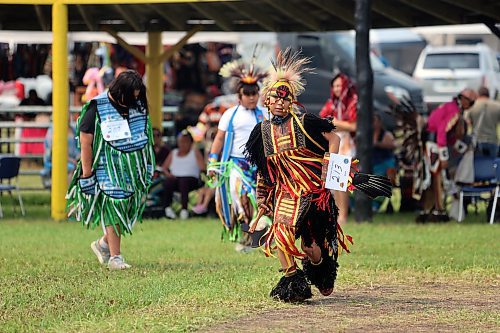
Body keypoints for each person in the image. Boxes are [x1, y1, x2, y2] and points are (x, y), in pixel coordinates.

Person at [245, 49, 392, 302]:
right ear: (266, 101)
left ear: (291, 101)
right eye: (275, 98)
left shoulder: (304, 122)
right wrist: (262, 199)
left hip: (313, 193)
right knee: (281, 234)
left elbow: (333, 137)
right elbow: (264, 170)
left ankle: (321, 267)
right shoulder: (262, 133)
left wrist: (329, 162)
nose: (280, 102)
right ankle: (293, 281)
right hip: (285, 192)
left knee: (310, 248)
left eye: (285, 98)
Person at [66, 70, 155, 270]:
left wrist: (147, 165)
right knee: (114, 202)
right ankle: (116, 257)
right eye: (130, 97)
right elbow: (86, 144)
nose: (134, 101)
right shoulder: (96, 108)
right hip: (107, 167)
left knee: (124, 209)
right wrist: (87, 173)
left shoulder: (138, 105)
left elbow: (147, 137)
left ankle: (103, 244)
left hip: (133, 171)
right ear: (119, 91)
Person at [206, 58, 268, 248]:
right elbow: (219, 139)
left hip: (258, 165)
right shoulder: (230, 114)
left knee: (256, 201)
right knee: (240, 194)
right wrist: (212, 162)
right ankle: (247, 236)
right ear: (239, 96)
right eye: (247, 94)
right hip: (235, 163)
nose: (251, 97)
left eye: (254, 93)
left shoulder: (264, 114)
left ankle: (251, 238)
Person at [419, 88, 477, 222]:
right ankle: (436, 211)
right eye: (471, 103)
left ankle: (437, 209)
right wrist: (444, 156)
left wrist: (461, 147)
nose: (471, 106)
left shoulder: (453, 108)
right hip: (433, 145)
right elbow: (441, 132)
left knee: (439, 178)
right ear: (463, 100)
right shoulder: (454, 111)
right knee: (436, 177)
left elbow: (450, 135)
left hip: (435, 144)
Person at [319, 73, 358, 225]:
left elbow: (354, 126)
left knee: (341, 179)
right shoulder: (332, 103)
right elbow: (322, 120)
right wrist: (333, 123)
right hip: (334, 141)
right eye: (334, 86)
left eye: (339, 85)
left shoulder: (353, 102)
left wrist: (334, 122)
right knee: (333, 181)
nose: (336, 89)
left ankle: (343, 216)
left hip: (347, 143)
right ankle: (336, 214)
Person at [162, 130, 205, 220]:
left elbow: (203, 168)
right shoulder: (173, 153)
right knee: (168, 182)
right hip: (175, 178)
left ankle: (184, 210)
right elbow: (164, 168)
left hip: (191, 180)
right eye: (181, 141)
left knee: (184, 182)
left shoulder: (195, 152)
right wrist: (168, 174)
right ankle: (167, 209)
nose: (183, 144)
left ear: (191, 143)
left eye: (186, 141)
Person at [372, 113, 396, 211]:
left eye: (374, 121)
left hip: (383, 164)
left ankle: (375, 205)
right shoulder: (365, 134)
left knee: (379, 179)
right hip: (370, 164)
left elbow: (392, 145)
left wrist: (378, 144)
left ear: (380, 123)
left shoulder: (386, 134)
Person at [466, 86, 500, 158]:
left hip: (477, 141)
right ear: (488, 95)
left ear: (478, 95)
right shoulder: (497, 106)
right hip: (492, 140)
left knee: (477, 165)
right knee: (492, 165)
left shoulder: (471, 106)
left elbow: (466, 123)